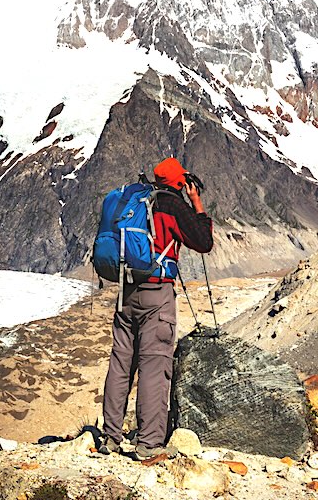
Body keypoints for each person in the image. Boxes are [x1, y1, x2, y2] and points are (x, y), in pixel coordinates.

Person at [100, 156, 213, 460]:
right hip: (156, 294)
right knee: (154, 366)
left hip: (127, 291)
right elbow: (203, 241)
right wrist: (196, 203)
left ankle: (109, 437)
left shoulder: (139, 199)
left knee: (121, 364)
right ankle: (149, 444)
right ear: (180, 182)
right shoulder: (171, 205)